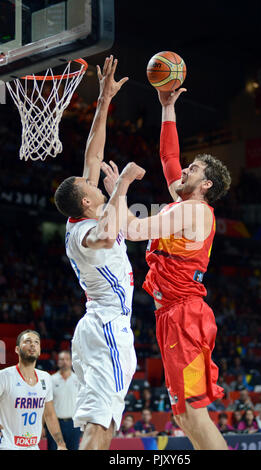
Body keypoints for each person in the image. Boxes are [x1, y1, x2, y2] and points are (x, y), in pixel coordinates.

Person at [101, 87, 231, 450]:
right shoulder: (186, 203)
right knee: (181, 415)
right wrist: (168, 108)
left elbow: (134, 230)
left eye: (194, 169)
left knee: (191, 413)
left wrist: (120, 190)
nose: (184, 169)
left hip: (185, 317)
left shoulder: (192, 210)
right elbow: (168, 156)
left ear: (205, 185)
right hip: (172, 315)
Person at [54, 55, 145, 450]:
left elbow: (93, 153)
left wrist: (104, 100)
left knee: (99, 425)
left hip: (99, 328)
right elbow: (108, 238)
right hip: (107, 328)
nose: (92, 180)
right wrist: (122, 186)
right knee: (101, 428)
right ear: (88, 203)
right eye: (88, 186)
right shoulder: (85, 233)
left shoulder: (86, 216)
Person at [0, 330, 67, 450]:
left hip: (33, 446)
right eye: (27, 341)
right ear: (17, 349)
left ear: (40, 350)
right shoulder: (4, 376)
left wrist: (61, 444)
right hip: (7, 445)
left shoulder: (45, 377)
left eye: (36, 342)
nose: (33, 344)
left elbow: (50, 414)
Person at [46, 350, 81, 450]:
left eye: (67, 359)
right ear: (58, 362)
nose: (64, 361)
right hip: (55, 423)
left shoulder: (78, 379)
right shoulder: (51, 379)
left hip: (74, 424)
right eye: (62, 359)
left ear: (71, 361)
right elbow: (46, 405)